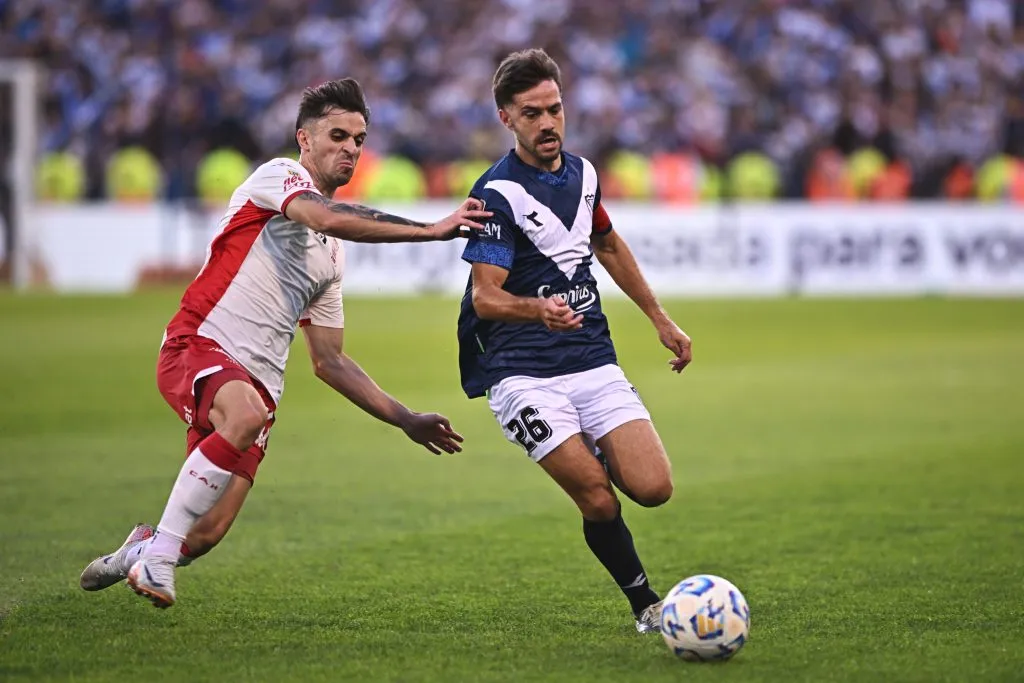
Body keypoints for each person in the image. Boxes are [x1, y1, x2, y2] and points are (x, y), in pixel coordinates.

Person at [79, 78, 491, 608]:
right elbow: (321, 214)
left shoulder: (332, 257)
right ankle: (157, 558)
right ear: (304, 139)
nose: (350, 148)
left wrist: (405, 419)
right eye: (338, 135)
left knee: (203, 535)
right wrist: (431, 229)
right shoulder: (278, 178)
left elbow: (331, 361)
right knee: (242, 418)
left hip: (260, 388)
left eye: (359, 139)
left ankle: (139, 550)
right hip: (200, 344)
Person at [456, 49, 692, 633]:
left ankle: (589, 443)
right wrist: (536, 309)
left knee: (654, 488)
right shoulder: (496, 194)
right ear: (506, 118)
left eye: (555, 109)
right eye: (531, 113)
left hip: (590, 357)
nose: (547, 123)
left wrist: (660, 318)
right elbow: (485, 296)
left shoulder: (584, 174)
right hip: (519, 370)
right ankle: (646, 606)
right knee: (598, 498)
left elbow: (607, 245)